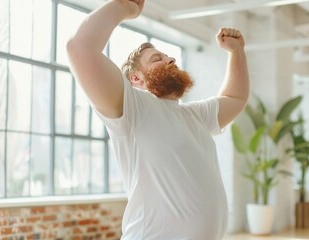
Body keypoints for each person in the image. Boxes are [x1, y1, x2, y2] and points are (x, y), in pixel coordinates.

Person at [66, 0, 249, 239]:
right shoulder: (132, 108)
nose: (170, 60)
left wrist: (237, 53)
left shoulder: (194, 115)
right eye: (156, 59)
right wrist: (124, 7)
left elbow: (235, 97)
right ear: (136, 79)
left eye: (168, 56)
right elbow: (80, 48)